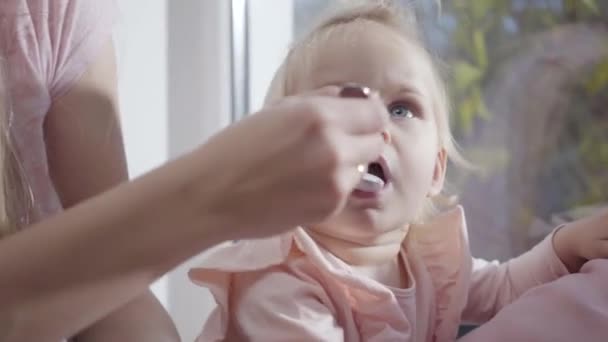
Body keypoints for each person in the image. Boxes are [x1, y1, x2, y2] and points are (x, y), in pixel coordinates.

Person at [188, 2, 608, 341]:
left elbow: (502, 289)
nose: (374, 125)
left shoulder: (426, 260)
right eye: (341, 105)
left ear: (435, 172)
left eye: (401, 108)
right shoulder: (279, 284)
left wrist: (564, 247)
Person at [0, 0, 388, 341]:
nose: (383, 129)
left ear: (438, 167)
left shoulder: (55, 10)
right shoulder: (281, 292)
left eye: (404, 108)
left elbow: (116, 303)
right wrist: (216, 192)